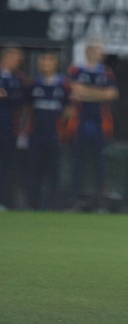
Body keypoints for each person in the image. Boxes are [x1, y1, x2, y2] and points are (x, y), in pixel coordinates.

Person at [65, 40, 118, 210]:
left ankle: (100, 201)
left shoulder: (107, 72)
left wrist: (86, 93)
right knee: (77, 162)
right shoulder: (76, 69)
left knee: (100, 163)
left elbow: (111, 94)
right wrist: (99, 94)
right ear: (88, 52)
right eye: (97, 50)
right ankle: (76, 199)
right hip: (80, 122)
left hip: (100, 123)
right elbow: (74, 91)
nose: (101, 54)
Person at [25, 51, 70, 210]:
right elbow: (27, 108)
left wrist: (63, 129)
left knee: (54, 172)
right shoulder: (33, 84)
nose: (45, 64)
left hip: (54, 135)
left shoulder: (63, 85)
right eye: (42, 61)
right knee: (34, 171)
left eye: (49, 61)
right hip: (36, 135)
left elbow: (68, 109)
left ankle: (53, 207)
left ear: (55, 63)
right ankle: (32, 206)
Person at [0, 45, 25, 210]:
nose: (18, 62)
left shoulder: (19, 78)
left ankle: (2, 201)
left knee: (5, 165)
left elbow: (20, 100)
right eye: (16, 58)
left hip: (7, 129)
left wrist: (6, 96)